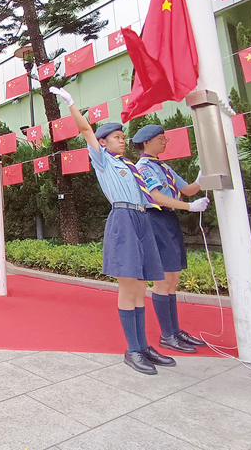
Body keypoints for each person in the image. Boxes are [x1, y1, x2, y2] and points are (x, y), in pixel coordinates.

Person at [50, 86, 209, 375]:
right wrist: (72, 105)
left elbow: (155, 194)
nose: (122, 142)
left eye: (123, 138)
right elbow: (86, 130)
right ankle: (132, 349)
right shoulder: (103, 160)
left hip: (141, 220)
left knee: (140, 288)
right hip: (123, 218)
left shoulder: (131, 165)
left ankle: (144, 345)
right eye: (116, 138)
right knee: (128, 288)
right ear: (103, 142)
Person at [133, 124, 208, 353]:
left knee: (173, 279)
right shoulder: (144, 167)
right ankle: (167, 334)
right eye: (160, 139)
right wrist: (189, 207)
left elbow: (188, 189)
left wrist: (204, 175)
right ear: (147, 142)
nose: (165, 142)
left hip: (169, 220)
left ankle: (175, 331)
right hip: (156, 220)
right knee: (163, 280)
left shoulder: (162, 166)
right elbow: (156, 196)